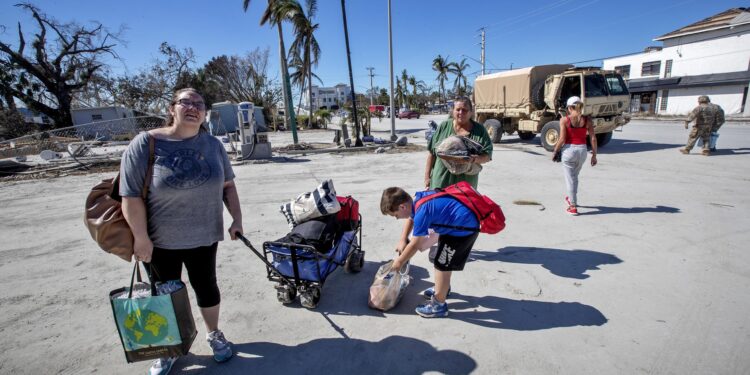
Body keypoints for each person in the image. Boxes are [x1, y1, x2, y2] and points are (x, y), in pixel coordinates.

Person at [120, 88, 243, 375]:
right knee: (163, 297)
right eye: (185, 102)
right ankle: (168, 348)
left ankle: (214, 334)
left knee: (206, 287)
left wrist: (236, 219)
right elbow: (130, 196)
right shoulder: (146, 144)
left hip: (204, 236)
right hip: (159, 242)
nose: (193, 107)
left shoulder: (213, 145)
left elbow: (228, 186)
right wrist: (140, 237)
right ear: (172, 108)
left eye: (199, 103)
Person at [381, 186, 481, 318]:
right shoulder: (417, 201)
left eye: (395, 215)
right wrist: (402, 240)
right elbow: (411, 219)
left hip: (463, 230)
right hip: (454, 224)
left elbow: (416, 244)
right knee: (437, 257)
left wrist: (398, 262)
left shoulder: (422, 212)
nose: (397, 218)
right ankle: (443, 289)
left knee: (442, 265)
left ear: (402, 207)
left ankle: (439, 305)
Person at [425, 97, 492, 189]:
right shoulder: (444, 127)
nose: (461, 113)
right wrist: (427, 177)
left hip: (466, 187)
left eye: (464, 110)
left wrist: (474, 159)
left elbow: (487, 156)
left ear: (471, 112)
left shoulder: (480, 130)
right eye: (458, 109)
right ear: (453, 111)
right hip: (441, 183)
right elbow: (431, 154)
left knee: (463, 204)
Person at [552, 96, 597, 216]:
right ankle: (571, 198)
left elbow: (562, 139)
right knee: (574, 177)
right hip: (582, 151)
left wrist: (555, 151)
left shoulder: (565, 120)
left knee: (570, 179)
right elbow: (593, 137)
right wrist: (594, 155)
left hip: (569, 151)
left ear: (570, 108)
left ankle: (572, 206)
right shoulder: (587, 120)